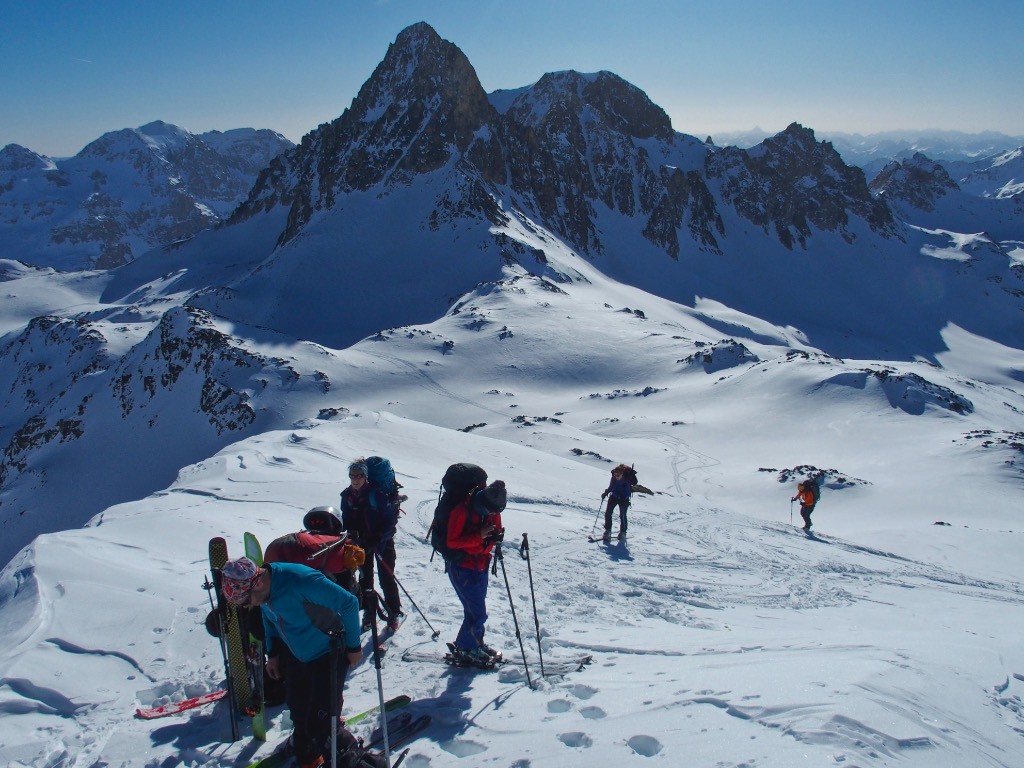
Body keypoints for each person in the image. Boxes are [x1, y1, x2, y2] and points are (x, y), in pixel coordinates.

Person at [220, 556, 365, 768]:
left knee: (322, 723)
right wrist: (273, 654)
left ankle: (354, 760)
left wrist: (354, 647)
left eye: (246, 601)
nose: (247, 606)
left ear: (257, 584)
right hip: (298, 654)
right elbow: (269, 618)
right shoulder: (264, 590)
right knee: (299, 712)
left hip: (329, 652)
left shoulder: (300, 580)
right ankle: (311, 758)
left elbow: (349, 603)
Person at [446, 480, 507, 666]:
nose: (493, 514)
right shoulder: (462, 510)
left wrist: (496, 536)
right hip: (462, 567)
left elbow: (495, 529)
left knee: (474, 610)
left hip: (481, 564)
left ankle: (473, 644)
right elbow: (452, 542)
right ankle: (468, 648)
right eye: (491, 511)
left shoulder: (493, 508)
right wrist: (479, 536)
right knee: (477, 611)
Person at [340, 459, 402, 632]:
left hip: (383, 542)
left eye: (359, 475)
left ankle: (393, 612)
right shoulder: (347, 495)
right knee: (365, 579)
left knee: (386, 577)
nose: (355, 479)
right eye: (352, 475)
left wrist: (378, 537)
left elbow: (389, 520)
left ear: (365, 476)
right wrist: (351, 532)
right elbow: (346, 518)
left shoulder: (377, 494)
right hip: (361, 544)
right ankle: (369, 612)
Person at [601, 464, 634, 542]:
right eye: (615, 475)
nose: (616, 476)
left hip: (624, 499)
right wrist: (606, 493)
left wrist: (622, 498)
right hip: (614, 496)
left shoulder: (626, 480)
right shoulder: (613, 478)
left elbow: (627, 493)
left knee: (622, 516)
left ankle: (623, 532)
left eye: (618, 475)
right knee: (608, 513)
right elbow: (611, 486)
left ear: (622, 474)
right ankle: (608, 530)